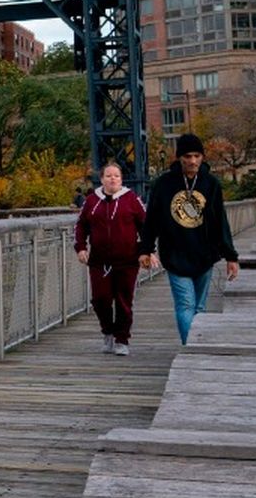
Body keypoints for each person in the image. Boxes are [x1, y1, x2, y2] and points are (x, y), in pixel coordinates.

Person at [140, 133, 240, 345]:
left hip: (204, 254)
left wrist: (231, 256)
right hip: (175, 254)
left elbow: (219, 221)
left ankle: (197, 343)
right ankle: (192, 347)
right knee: (185, 305)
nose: (192, 161)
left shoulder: (211, 184)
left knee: (199, 307)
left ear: (202, 157)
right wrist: (145, 249)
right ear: (179, 158)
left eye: (196, 155)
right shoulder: (163, 184)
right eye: (187, 156)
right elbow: (152, 219)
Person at [76, 162, 146, 355]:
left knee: (124, 301)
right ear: (102, 179)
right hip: (99, 261)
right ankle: (108, 332)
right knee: (101, 299)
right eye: (108, 175)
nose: (112, 178)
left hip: (127, 260)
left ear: (121, 179)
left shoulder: (131, 199)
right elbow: (80, 226)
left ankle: (122, 340)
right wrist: (81, 248)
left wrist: (145, 251)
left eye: (116, 175)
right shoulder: (91, 201)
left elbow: (145, 226)